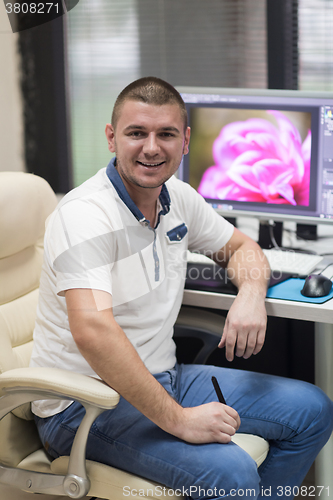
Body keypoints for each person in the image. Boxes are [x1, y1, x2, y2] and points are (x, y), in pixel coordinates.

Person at [30, 77, 333, 499]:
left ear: (186, 141)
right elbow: (92, 332)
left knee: (313, 411)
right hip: (84, 406)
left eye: (166, 134)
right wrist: (179, 420)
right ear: (112, 137)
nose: (152, 147)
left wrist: (249, 295)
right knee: (230, 473)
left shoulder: (178, 198)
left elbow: (242, 248)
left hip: (164, 377)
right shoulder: (84, 215)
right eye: (137, 133)